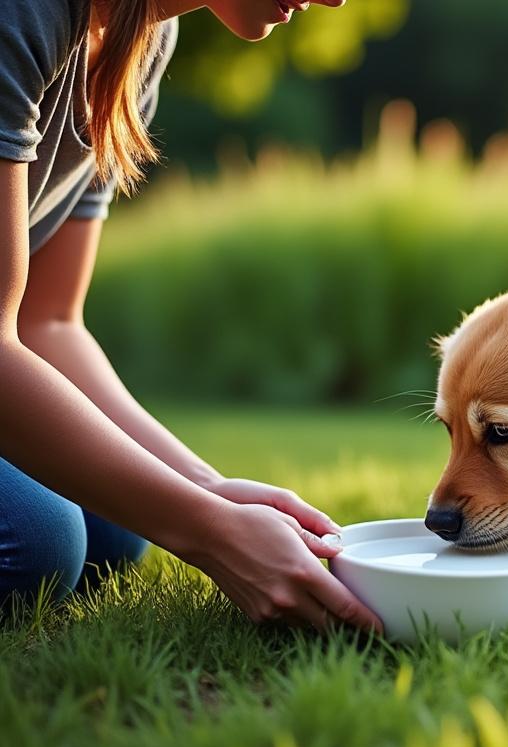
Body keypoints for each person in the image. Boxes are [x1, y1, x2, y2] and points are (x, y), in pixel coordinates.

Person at [1, 0, 381, 632]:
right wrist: (212, 533)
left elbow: (48, 323)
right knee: (39, 542)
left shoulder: (139, 41)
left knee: (120, 532)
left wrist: (208, 489)